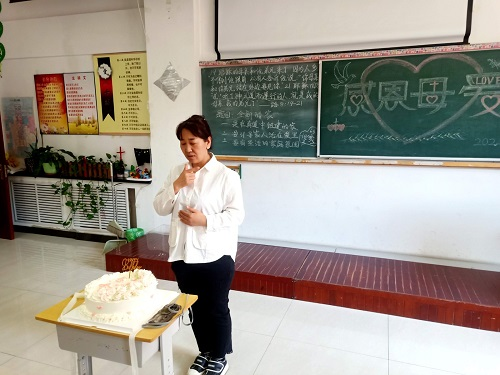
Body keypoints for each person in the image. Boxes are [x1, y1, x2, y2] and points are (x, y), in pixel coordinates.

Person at [153, 115, 245, 375]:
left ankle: (219, 356)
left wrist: (204, 220)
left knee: (215, 308)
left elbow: (236, 215)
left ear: (208, 141)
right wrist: (179, 184)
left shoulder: (227, 177)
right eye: (182, 143)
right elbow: (160, 207)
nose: (187, 149)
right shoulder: (177, 172)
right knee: (193, 307)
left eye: (192, 142)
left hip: (215, 255)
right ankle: (204, 351)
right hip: (183, 254)